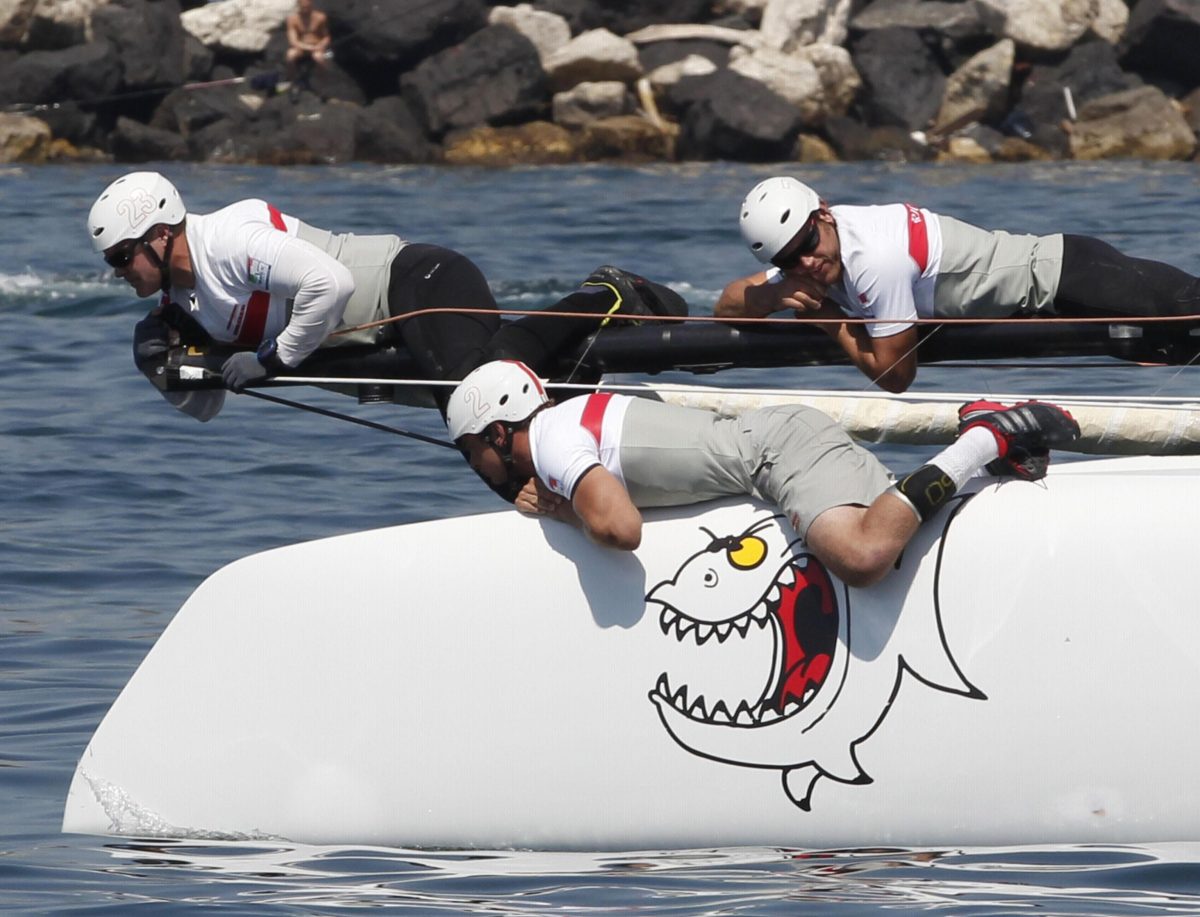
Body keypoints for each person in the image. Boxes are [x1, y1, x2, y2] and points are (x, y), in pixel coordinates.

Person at [87, 171, 686, 421]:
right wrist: (169, 373)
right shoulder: (181, 305)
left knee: (483, 402)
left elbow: (331, 283)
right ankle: (605, 379)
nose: (118, 273)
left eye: (120, 257)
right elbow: (207, 410)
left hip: (417, 284)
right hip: (387, 338)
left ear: (160, 235)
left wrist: (271, 358)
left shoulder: (228, 240)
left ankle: (608, 295)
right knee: (524, 401)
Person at [445, 360, 1080, 587]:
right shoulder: (567, 423)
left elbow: (621, 528)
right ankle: (989, 456)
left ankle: (984, 435)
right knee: (893, 535)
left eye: (472, 452)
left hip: (778, 452)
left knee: (862, 559)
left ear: (498, 431)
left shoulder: (554, 440)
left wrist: (565, 511)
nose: (475, 467)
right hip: (776, 446)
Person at [717, 176, 1200, 393]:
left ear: (824, 212)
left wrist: (829, 321)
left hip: (1068, 277)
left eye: (807, 243)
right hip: (1052, 303)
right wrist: (771, 294)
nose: (806, 263)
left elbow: (896, 377)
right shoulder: (812, 257)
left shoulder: (874, 258)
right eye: (788, 260)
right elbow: (727, 307)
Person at [285, 0, 331, 92]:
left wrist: (322, 45)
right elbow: (293, 41)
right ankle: (293, 81)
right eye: (303, 7)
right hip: (300, 47)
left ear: (311, 4)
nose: (305, 9)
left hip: (316, 46)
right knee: (290, 55)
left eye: (307, 7)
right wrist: (308, 47)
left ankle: (322, 83)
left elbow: (326, 37)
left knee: (319, 58)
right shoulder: (292, 19)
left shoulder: (320, 17)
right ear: (298, 6)